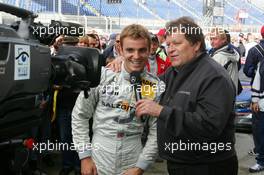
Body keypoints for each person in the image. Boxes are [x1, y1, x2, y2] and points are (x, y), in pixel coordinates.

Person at [134, 17, 238, 175]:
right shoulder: (175, 71)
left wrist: (161, 111)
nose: (170, 49)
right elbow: (147, 85)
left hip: (207, 166)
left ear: (196, 45)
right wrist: (124, 65)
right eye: (168, 44)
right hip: (182, 161)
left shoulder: (215, 77)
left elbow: (209, 126)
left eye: (176, 43)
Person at [72, 24, 165, 175]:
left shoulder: (154, 85)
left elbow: (156, 132)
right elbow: (80, 115)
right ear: (121, 50)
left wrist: (140, 167)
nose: (136, 56)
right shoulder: (101, 76)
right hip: (99, 153)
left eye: (142, 50)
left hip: (133, 154)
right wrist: (85, 157)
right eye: (130, 50)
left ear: (149, 50)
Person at [250, 60, 264, 173]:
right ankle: (261, 161)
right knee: (260, 134)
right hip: (262, 105)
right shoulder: (262, 62)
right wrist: (255, 100)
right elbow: (257, 80)